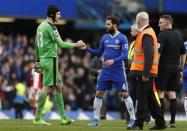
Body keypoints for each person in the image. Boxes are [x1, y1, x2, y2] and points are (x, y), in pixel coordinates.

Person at [33, 5, 85, 125]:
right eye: (58, 14)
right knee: (46, 87)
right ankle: (37, 117)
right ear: (52, 15)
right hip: (51, 60)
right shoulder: (51, 27)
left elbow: (36, 44)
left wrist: (37, 60)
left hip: (44, 60)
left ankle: (63, 117)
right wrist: (76, 45)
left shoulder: (41, 26)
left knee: (59, 86)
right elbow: (61, 44)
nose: (60, 16)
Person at [81, 15, 136, 128]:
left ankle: (133, 119)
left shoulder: (122, 38)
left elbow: (125, 55)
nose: (106, 26)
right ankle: (96, 119)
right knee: (98, 93)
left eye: (108, 24)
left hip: (118, 70)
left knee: (124, 94)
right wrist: (85, 48)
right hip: (106, 71)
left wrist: (113, 60)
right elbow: (98, 53)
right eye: (106, 24)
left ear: (114, 25)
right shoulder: (104, 37)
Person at [128, 12, 166, 130]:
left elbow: (149, 56)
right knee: (150, 98)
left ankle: (139, 124)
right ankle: (160, 123)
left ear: (139, 21)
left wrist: (146, 73)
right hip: (145, 71)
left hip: (144, 72)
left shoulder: (146, 34)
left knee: (142, 98)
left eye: (136, 20)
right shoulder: (146, 33)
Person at [155, 15, 186, 128]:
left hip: (163, 67)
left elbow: (158, 53)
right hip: (175, 68)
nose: (159, 24)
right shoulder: (179, 35)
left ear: (167, 23)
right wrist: (181, 68)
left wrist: (154, 68)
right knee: (172, 94)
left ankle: (161, 121)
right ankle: (173, 121)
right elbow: (183, 54)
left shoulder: (162, 35)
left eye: (161, 22)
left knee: (160, 93)